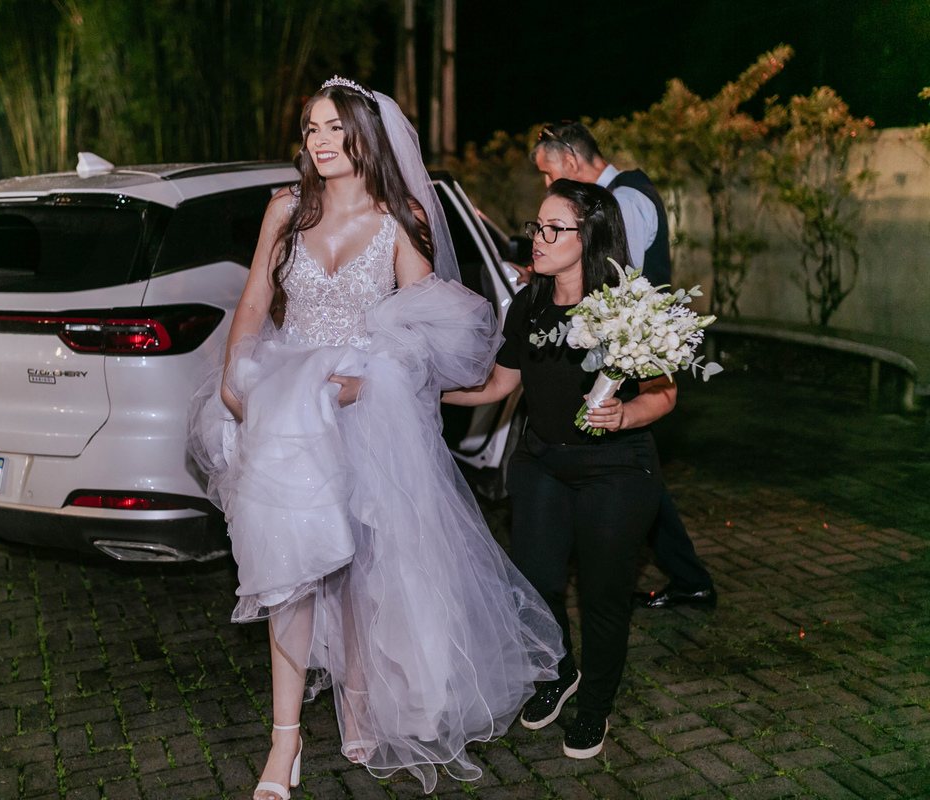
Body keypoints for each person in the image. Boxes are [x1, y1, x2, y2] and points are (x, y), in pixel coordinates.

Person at [188, 77, 563, 799]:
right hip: (285, 411)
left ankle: (359, 697)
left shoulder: (401, 219)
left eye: (335, 127)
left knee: (362, 565)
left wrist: (364, 384)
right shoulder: (286, 209)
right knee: (290, 574)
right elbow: (256, 299)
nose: (321, 142)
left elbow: (424, 332)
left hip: (364, 413)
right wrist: (237, 382)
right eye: (311, 129)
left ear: (366, 135)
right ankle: (285, 742)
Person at [444, 180, 677, 759]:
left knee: (602, 595)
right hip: (542, 464)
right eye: (537, 227)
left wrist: (625, 415)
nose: (538, 239)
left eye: (554, 229)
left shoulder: (627, 307)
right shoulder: (529, 304)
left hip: (616, 471)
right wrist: (421, 388)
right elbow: (498, 384)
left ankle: (594, 705)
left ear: (588, 236)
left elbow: (665, 393)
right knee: (536, 583)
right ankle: (560, 670)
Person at [531, 122, 717, 610]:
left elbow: (615, 277)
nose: (548, 185)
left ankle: (686, 576)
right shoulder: (618, 194)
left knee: (633, 468)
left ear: (572, 162)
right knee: (638, 474)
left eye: (549, 174)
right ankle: (689, 576)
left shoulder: (624, 201)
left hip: (631, 351)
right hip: (616, 348)